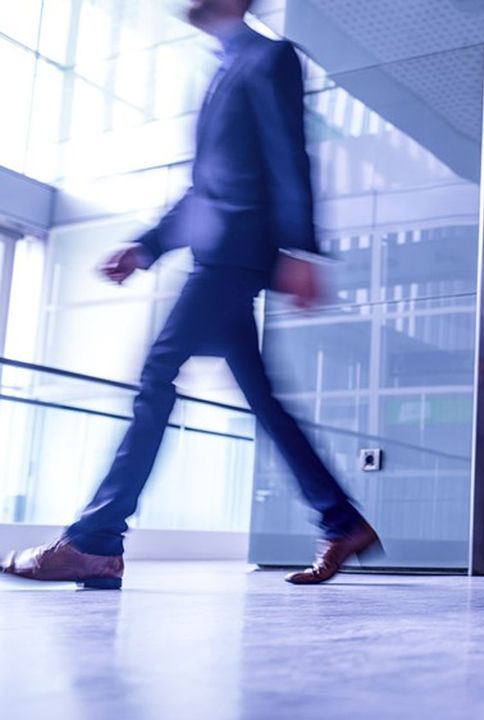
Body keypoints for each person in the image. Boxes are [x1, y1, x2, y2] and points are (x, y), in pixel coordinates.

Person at [1, 0, 380, 589]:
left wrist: (302, 250)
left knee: (157, 373)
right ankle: (341, 519)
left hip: (236, 256)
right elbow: (205, 189)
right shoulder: (225, 65)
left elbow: (289, 154)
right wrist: (147, 247)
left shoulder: (269, 56)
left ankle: (96, 541)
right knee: (263, 399)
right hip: (219, 252)